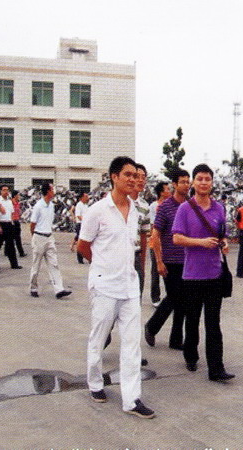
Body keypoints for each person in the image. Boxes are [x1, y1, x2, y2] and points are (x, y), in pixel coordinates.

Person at [77, 156, 155, 419]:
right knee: (98, 339)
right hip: (104, 287)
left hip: (129, 287)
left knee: (132, 345)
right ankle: (95, 383)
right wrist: (102, 267)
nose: (133, 179)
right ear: (114, 177)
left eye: (135, 175)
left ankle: (132, 399)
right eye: (128, 175)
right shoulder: (97, 211)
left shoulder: (135, 210)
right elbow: (83, 246)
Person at [172, 163, 235, 382]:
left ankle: (216, 368)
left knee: (213, 323)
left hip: (214, 274)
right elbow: (176, 238)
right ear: (193, 182)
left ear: (212, 182)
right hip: (192, 275)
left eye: (207, 179)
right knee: (192, 320)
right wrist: (201, 242)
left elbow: (222, 234)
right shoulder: (185, 209)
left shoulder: (219, 208)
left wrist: (224, 243)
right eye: (199, 179)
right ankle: (191, 356)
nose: (203, 182)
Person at [144, 170, 190, 350]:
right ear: (174, 185)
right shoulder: (165, 207)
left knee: (183, 301)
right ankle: (152, 327)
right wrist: (159, 261)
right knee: (174, 297)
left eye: (188, 181)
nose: (186, 185)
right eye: (182, 182)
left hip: (188, 260)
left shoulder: (191, 205)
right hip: (170, 260)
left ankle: (176, 339)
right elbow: (155, 235)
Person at [29, 182, 72, 299]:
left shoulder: (51, 205)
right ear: (48, 191)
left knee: (54, 264)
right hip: (39, 237)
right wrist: (35, 237)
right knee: (36, 265)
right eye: (52, 189)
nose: (54, 192)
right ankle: (33, 288)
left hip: (49, 237)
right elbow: (32, 224)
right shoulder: (38, 206)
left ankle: (59, 289)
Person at [148, 182, 171, 306]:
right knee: (155, 270)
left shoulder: (171, 205)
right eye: (167, 189)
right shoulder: (153, 206)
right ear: (161, 192)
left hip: (168, 243)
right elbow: (153, 225)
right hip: (156, 242)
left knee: (170, 271)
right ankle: (155, 297)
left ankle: (171, 296)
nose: (170, 191)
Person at [131, 163, 151, 295]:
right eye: (137, 176)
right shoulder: (119, 202)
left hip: (136, 257)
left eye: (143, 177)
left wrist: (142, 265)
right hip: (117, 257)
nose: (141, 180)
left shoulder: (144, 206)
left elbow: (144, 237)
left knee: (136, 297)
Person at [0, 185, 22, 270]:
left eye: (7, 190)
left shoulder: (9, 201)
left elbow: (12, 213)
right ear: (0, 191)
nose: (6, 192)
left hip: (9, 224)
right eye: (4, 190)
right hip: (1, 224)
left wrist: (12, 223)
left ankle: (14, 264)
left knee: (11, 246)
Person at [72, 192, 89, 264]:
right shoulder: (79, 205)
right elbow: (78, 216)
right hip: (80, 224)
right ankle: (80, 258)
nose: (87, 198)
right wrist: (85, 221)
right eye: (86, 196)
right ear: (82, 197)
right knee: (80, 241)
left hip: (85, 224)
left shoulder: (86, 205)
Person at [11, 190, 26, 258]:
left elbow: (18, 212)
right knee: (15, 238)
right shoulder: (11, 203)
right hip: (12, 221)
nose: (19, 196)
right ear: (15, 196)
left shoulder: (17, 203)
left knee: (16, 237)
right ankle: (21, 252)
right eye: (18, 195)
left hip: (17, 221)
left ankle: (8, 251)